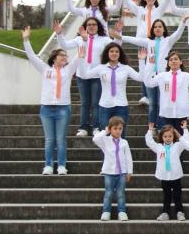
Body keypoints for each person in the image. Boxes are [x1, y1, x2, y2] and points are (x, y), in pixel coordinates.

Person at [23, 26, 83, 175]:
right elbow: (31, 56)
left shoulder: (68, 70)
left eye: (66, 55)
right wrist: (26, 39)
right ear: (54, 58)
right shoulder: (45, 69)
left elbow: (81, 54)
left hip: (63, 108)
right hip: (46, 109)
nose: (64, 57)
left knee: (61, 139)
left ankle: (62, 165)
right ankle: (48, 165)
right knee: (49, 139)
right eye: (61, 55)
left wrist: (84, 40)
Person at [113, 16, 188, 129]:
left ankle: (162, 128)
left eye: (160, 26)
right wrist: (120, 36)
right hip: (150, 77)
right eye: (155, 27)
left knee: (162, 103)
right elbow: (134, 40)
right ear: (152, 29)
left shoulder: (168, 41)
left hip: (163, 77)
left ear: (163, 29)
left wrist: (183, 21)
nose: (157, 28)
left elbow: (178, 33)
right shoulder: (148, 42)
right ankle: (152, 127)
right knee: (153, 104)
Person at [55, 18, 118, 137]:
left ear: (98, 26)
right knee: (84, 103)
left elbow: (115, 46)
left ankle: (96, 127)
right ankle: (83, 127)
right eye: (89, 24)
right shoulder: (79, 39)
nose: (91, 26)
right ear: (85, 26)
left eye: (94, 24)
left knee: (95, 103)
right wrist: (59, 34)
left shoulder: (104, 40)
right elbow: (64, 45)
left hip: (97, 76)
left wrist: (117, 34)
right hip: (82, 75)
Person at [122, 0, 176, 106]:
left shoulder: (158, 10)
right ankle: (145, 94)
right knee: (145, 67)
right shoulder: (140, 10)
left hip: (155, 42)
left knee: (157, 65)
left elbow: (167, 1)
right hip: (142, 42)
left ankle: (158, 90)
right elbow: (129, 4)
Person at [78, 43, 146, 138]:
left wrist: (142, 61)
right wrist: (81, 59)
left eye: (117, 51)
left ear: (120, 54)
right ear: (107, 53)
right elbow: (84, 75)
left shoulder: (125, 68)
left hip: (121, 105)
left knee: (121, 136)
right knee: (105, 135)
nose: (114, 53)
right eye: (112, 51)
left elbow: (141, 77)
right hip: (105, 105)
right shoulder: (101, 68)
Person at [141, 51, 189, 133]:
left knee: (180, 138)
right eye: (171, 60)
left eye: (176, 59)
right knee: (167, 137)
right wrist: (150, 66)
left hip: (181, 112)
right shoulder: (162, 75)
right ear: (168, 63)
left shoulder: (186, 76)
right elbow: (148, 83)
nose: (173, 61)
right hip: (167, 112)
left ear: (180, 62)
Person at [93, 117, 133, 221]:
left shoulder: (124, 142)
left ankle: (122, 211)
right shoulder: (105, 141)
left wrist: (130, 172)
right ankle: (106, 211)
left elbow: (128, 157)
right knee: (108, 193)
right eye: (115, 128)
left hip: (122, 173)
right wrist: (104, 131)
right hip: (109, 173)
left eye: (120, 128)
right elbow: (95, 139)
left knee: (120, 193)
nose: (118, 131)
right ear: (110, 129)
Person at [145, 123, 188, 221]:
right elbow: (149, 142)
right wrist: (150, 131)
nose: (168, 138)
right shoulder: (159, 147)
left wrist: (185, 129)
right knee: (166, 195)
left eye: (170, 136)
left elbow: (186, 141)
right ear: (161, 137)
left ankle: (179, 212)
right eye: (165, 136)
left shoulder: (177, 146)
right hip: (164, 176)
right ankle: (165, 212)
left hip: (175, 175)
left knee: (177, 195)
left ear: (174, 136)